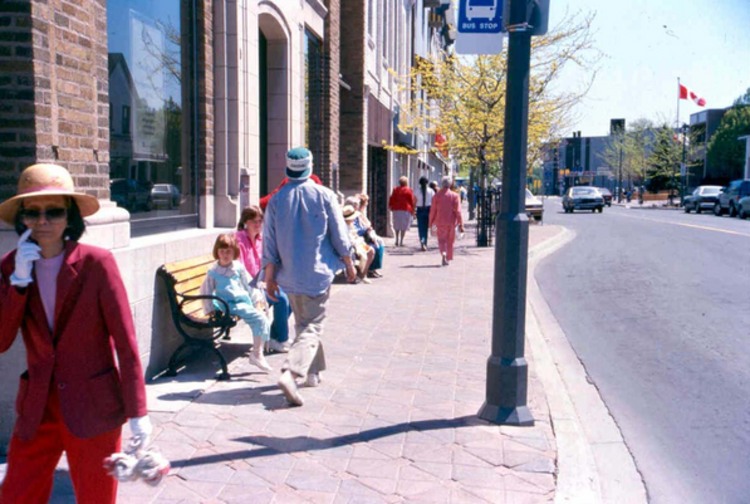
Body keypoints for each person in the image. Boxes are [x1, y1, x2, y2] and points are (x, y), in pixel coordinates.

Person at [0, 163, 151, 504]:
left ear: (69, 216)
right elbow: (2, 339)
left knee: (96, 498)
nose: (42, 221)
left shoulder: (97, 263)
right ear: (22, 218)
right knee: (16, 495)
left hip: (93, 405)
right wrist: (19, 283)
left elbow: (126, 343)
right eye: (32, 212)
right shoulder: (11, 266)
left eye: (53, 211)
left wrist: (138, 412)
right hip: (38, 406)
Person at [262, 147, 357, 407]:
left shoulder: (276, 200)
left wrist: (269, 277)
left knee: (304, 324)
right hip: (317, 274)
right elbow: (339, 234)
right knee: (312, 326)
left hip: (289, 275)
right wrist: (349, 262)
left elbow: (269, 243)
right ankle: (292, 373)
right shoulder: (325, 195)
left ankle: (314, 373)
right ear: (310, 167)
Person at [201, 233, 272, 372]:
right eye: (222, 251)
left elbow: (249, 285)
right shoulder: (214, 272)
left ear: (234, 252)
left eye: (228, 251)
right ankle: (257, 354)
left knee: (261, 316)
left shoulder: (238, 268)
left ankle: (258, 352)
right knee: (259, 319)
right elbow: (206, 290)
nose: (225, 255)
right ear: (217, 252)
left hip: (240, 302)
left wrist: (256, 301)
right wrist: (209, 309)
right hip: (226, 305)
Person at [236, 205, 291, 353]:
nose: (258, 224)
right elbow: (240, 271)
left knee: (292, 294)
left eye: (260, 221)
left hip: (261, 284)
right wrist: (261, 285)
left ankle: (273, 337)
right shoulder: (239, 240)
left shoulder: (261, 240)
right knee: (281, 298)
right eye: (254, 221)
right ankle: (282, 339)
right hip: (247, 288)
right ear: (245, 222)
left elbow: (269, 263)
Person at [429, 175, 465, 266]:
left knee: (441, 240)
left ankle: (443, 253)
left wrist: (430, 222)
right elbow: (458, 211)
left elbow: (433, 210)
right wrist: (461, 224)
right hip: (451, 222)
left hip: (439, 221)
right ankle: (448, 257)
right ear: (450, 184)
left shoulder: (436, 196)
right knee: (450, 241)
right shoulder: (455, 196)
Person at [345, 194, 384, 278]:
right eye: (356, 206)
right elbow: (355, 230)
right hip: (356, 240)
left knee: (378, 245)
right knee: (372, 248)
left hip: (360, 238)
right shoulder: (349, 215)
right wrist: (366, 230)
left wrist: (367, 229)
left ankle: (370, 270)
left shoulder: (357, 214)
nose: (357, 208)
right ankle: (364, 273)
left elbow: (363, 225)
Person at [342, 204, 374, 284]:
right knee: (360, 254)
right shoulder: (343, 226)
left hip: (357, 243)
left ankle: (363, 275)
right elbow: (347, 240)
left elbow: (356, 235)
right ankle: (357, 275)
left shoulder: (351, 224)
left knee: (371, 251)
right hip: (351, 245)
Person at [388, 176, 416, 247]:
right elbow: (411, 200)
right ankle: (401, 241)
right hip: (405, 209)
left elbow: (392, 198)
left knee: (396, 224)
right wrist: (413, 210)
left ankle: (397, 239)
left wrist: (390, 206)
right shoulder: (409, 190)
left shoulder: (395, 189)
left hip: (396, 208)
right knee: (403, 226)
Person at [414, 176, 434, 251]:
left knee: (421, 228)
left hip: (420, 210)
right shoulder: (431, 191)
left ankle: (422, 242)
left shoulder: (417, 191)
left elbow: (414, 202)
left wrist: (413, 211)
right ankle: (425, 243)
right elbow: (434, 202)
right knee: (426, 229)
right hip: (429, 209)